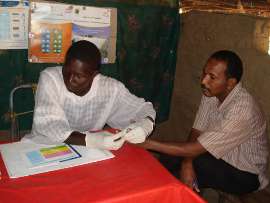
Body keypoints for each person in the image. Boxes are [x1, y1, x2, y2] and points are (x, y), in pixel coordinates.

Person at [139, 50, 269, 195]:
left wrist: (146, 143)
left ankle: (161, 195)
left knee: (182, 177)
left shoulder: (243, 111)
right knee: (170, 158)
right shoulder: (211, 93)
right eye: (205, 73)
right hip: (215, 155)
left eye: (212, 77)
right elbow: (197, 130)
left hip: (245, 173)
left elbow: (195, 148)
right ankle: (150, 191)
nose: (204, 81)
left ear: (230, 83)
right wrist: (187, 163)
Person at [22, 40, 156, 150]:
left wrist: (145, 126)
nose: (70, 79)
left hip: (86, 152)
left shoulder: (109, 88)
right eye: (67, 70)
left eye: (79, 76)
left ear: (94, 75)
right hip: (44, 147)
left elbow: (142, 109)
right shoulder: (50, 78)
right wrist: (91, 140)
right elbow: (51, 125)